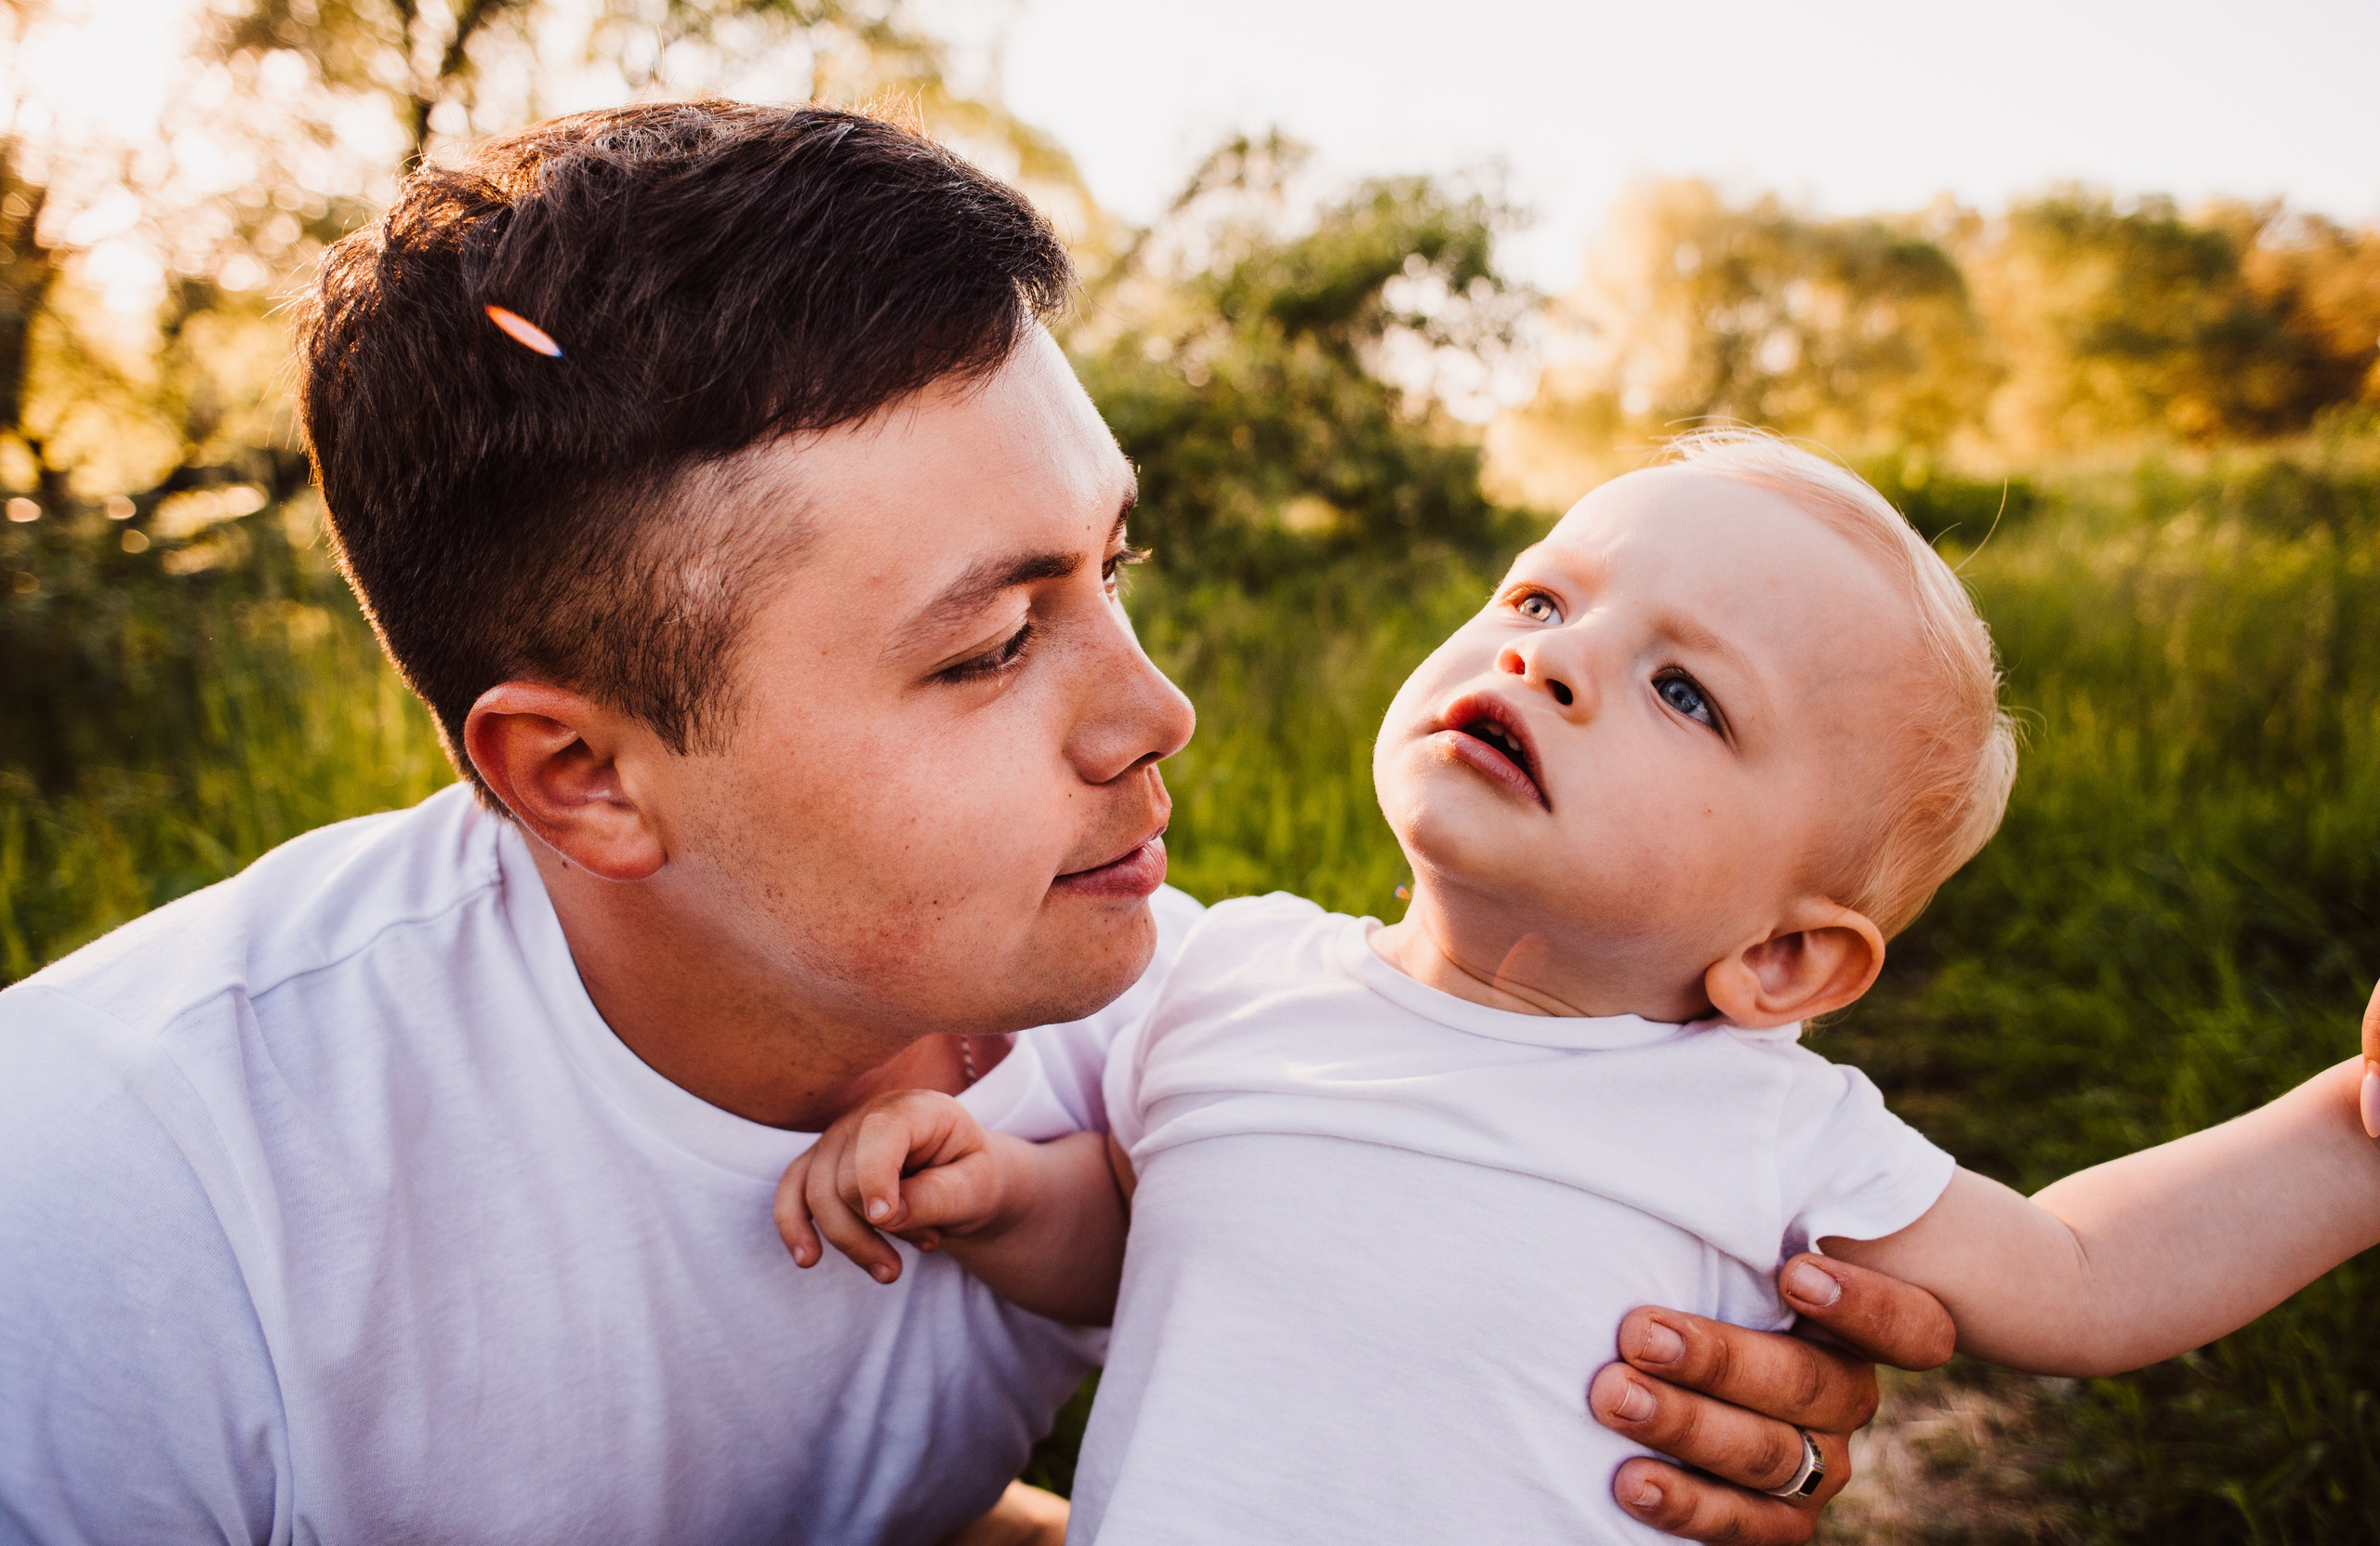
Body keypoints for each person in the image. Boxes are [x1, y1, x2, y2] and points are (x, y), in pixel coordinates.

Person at [0, 102, 1941, 1546]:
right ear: (581, 775)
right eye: (994, 644)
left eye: (1113, 566)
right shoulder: (116, 1222)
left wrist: (1633, 1402)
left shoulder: (1186, 1036)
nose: (1156, 712)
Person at [783, 434, 2380, 1543]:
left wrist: (2352, 1132)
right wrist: (1003, 1196)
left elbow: (2083, 1276)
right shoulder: (1228, 975)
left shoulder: (1757, 1121)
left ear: (1782, 959)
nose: (1549, 658)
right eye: (1543, 598)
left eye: (1685, 691)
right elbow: (1148, 1242)